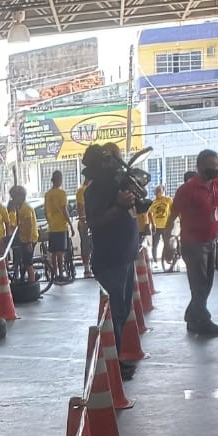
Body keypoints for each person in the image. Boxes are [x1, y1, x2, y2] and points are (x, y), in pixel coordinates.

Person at [80, 142, 144, 378]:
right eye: (112, 159)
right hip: (111, 258)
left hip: (124, 255)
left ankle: (116, 359)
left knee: (122, 310)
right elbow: (95, 221)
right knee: (114, 313)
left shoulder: (116, 185)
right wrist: (119, 206)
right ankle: (112, 365)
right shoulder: (96, 190)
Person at [168, 149, 218, 337]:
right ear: (199, 166)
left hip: (211, 240)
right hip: (193, 243)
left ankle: (192, 317)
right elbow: (173, 215)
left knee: (207, 282)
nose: (215, 170)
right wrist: (168, 242)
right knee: (199, 284)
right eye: (210, 166)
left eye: (217, 166)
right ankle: (203, 321)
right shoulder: (187, 190)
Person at [43, 170, 72, 281]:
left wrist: (50, 222)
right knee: (60, 252)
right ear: (59, 180)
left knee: (54, 252)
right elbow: (65, 210)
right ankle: (60, 274)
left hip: (52, 227)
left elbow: (46, 211)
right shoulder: (62, 193)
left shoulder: (47, 194)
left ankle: (54, 274)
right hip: (61, 226)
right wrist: (70, 224)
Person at [8, 184, 38, 280]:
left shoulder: (26, 209)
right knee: (24, 262)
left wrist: (29, 242)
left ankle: (32, 284)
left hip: (30, 239)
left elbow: (29, 226)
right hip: (23, 238)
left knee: (28, 264)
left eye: (14, 197)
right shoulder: (19, 208)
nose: (12, 199)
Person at [146, 186, 172, 265]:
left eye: (159, 191)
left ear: (163, 191)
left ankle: (167, 259)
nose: (158, 193)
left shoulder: (168, 200)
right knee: (155, 245)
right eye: (156, 191)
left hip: (166, 226)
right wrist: (152, 224)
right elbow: (149, 214)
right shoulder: (153, 202)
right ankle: (155, 260)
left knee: (167, 244)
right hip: (156, 227)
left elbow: (173, 210)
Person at [76, 177, 93, 277]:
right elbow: (80, 206)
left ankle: (89, 267)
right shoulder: (82, 190)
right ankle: (87, 269)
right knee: (86, 245)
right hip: (86, 222)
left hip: (90, 221)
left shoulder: (91, 189)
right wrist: (84, 219)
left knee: (88, 245)